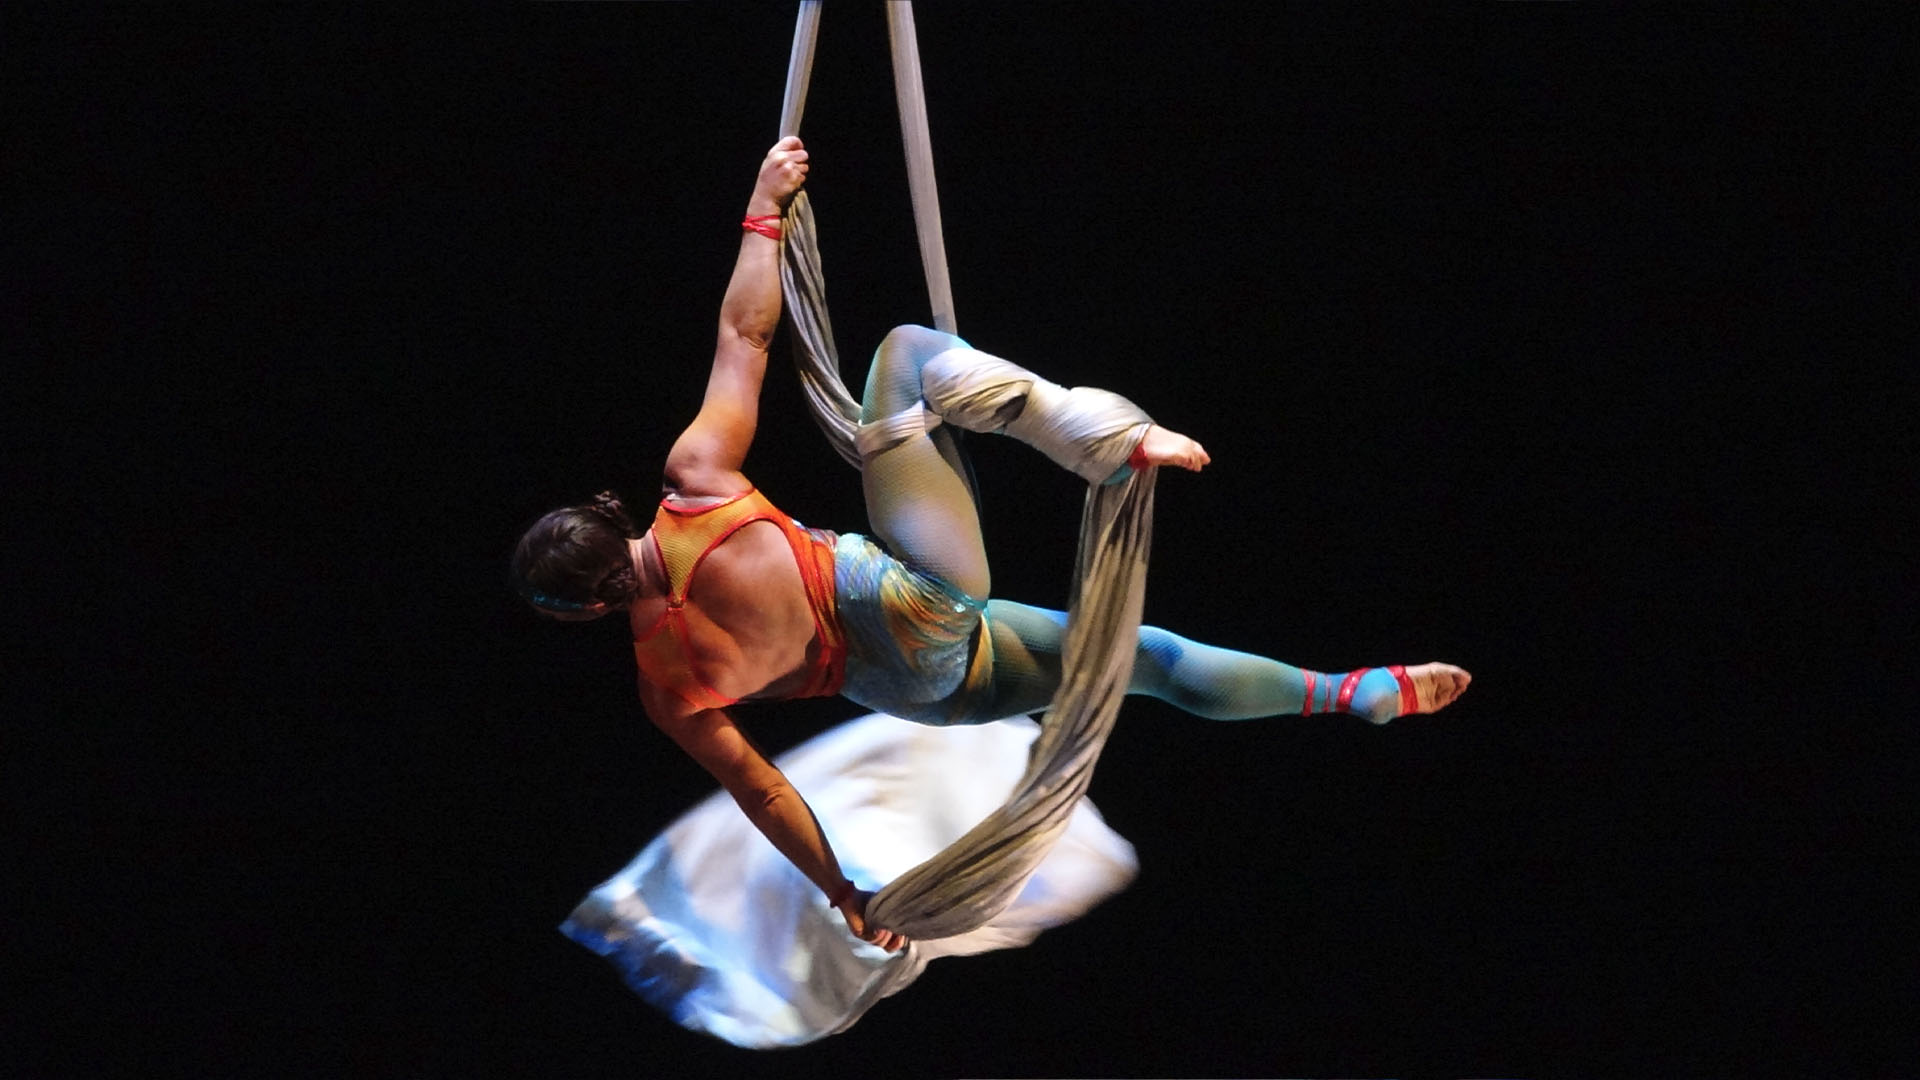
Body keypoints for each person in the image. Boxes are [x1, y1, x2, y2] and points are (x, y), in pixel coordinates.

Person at [513, 136, 1470, 955]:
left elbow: (764, 793)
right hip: (917, 597)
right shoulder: (693, 486)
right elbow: (745, 334)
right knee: (904, 357)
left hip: (912, 688)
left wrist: (847, 893)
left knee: (1133, 662)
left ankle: (1356, 694)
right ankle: (1108, 439)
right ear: (608, 517)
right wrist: (763, 213)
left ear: (587, 608)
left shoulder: (665, 686)